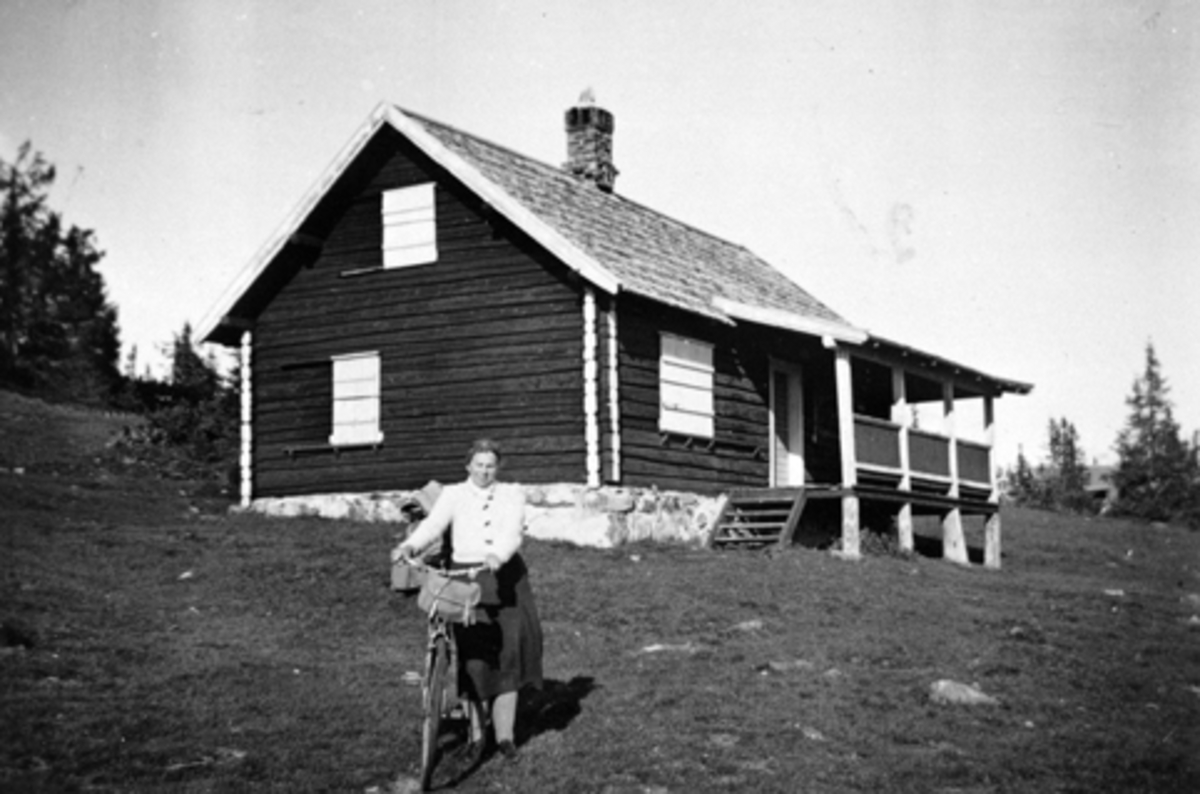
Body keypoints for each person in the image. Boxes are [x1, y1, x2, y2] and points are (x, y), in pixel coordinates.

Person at [393, 439, 544, 763]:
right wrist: (410, 546)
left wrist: (498, 555)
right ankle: (477, 737)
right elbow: (434, 525)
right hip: (466, 579)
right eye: (479, 465)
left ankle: (505, 738)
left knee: (508, 655)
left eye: (490, 465)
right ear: (468, 466)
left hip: (504, 580)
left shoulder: (511, 494)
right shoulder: (454, 494)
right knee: (474, 658)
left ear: (497, 467)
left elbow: (513, 532)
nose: (485, 471)